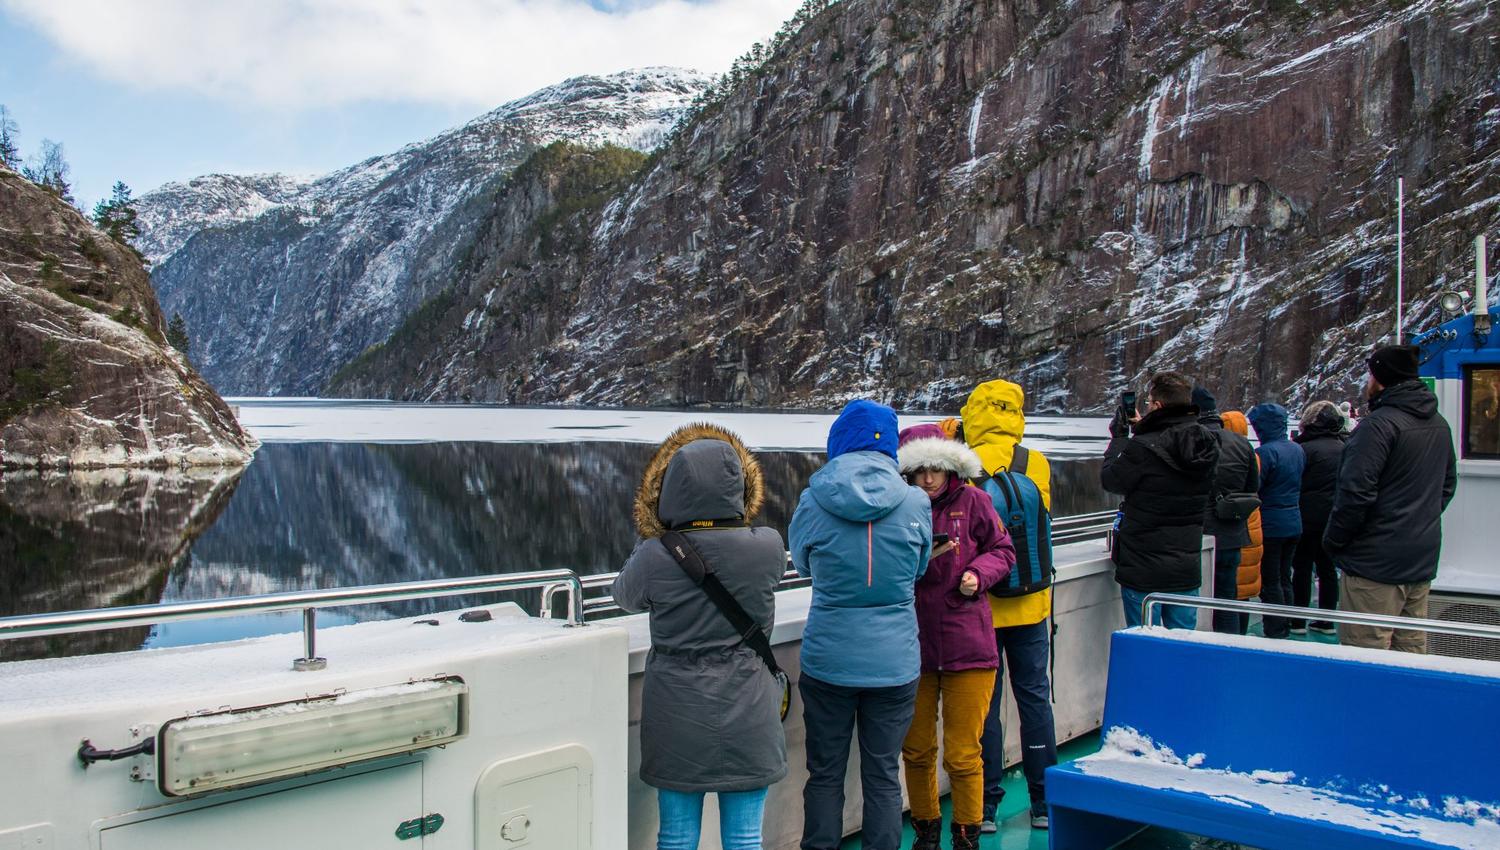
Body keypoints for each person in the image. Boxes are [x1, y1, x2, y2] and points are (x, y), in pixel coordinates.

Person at [612, 424, 788, 850]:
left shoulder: (658, 554)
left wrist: (656, 534)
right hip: (749, 708)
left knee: (676, 837)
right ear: (740, 488)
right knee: (746, 838)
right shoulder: (767, 546)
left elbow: (624, 597)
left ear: (670, 488)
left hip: (677, 714)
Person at [789, 400, 931, 850]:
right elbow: (920, 565)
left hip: (829, 660)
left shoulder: (813, 499)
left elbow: (803, 563)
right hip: (895, 663)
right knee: (883, 774)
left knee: (826, 773)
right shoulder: (916, 501)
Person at [895, 424, 1016, 850]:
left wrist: (976, 575)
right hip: (916, 647)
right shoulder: (899, 507)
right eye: (920, 470)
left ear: (951, 467)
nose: (928, 479)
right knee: (916, 749)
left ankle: (966, 834)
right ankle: (926, 830)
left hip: (969, 647)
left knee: (964, 754)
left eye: (937, 469)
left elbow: (1003, 550)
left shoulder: (975, 501)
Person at [961, 380, 1060, 833]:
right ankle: (1043, 803)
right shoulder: (1034, 462)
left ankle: (984, 807)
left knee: (986, 705)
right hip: (1033, 601)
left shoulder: (964, 463)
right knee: (1035, 699)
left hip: (982, 604)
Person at [1325, 345, 1458, 652]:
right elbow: (1447, 485)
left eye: (1371, 373)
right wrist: (1418, 522)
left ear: (1381, 378)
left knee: (1367, 656)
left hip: (1375, 565)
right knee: (1409, 655)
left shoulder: (1378, 427)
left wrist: (1335, 542)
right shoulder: (1438, 423)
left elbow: (1354, 494)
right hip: (1420, 558)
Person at [1102, 371, 1221, 629]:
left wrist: (1120, 439)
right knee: (1182, 648)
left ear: (1158, 405)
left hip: (1143, 568)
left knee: (1146, 645)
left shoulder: (1143, 447)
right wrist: (1145, 427)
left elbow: (1111, 480)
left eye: (1149, 403)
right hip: (1186, 567)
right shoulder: (1206, 443)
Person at [1193, 387, 1260, 635]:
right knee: (1227, 598)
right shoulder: (1242, 444)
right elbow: (1253, 487)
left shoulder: (1190, 440)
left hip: (1198, 535)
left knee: (1194, 601)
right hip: (1232, 533)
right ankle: (1229, 647)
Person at [1247, 403, 1304, 639]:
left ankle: (1275, 629)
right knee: (1284, 576)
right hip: (1294, 521)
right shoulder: (1296, 450)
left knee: (1270, 580)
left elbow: (1254, 486)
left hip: (1271, 524)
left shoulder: (1265, 454)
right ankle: (1286, 623)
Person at [1291, 401, 1346, 635]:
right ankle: (1326, 620)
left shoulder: (1303, 449)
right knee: (1327, 569)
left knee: (1301, 567)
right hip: (1333, 517)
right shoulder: (1344, 447)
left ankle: (1297, 621)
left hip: (1305, 515)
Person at [1222, 411, 1263, 636]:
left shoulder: (1223, 453)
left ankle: (1232, 638)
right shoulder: (1251, 454)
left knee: (1230, 590)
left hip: (1234, 530)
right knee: (1243, 589)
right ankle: (1242, 634)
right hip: (1251, 527)